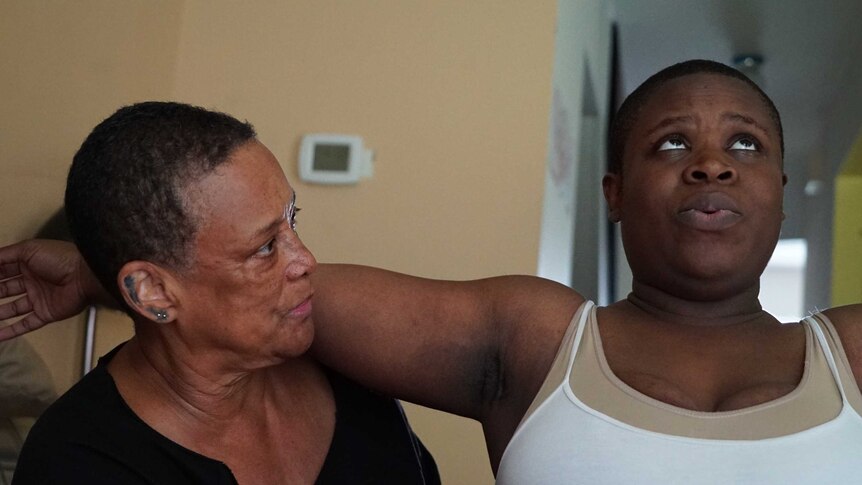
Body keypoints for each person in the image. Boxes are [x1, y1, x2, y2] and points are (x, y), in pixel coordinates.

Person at [3, 60, 862, 483]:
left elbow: (260, 285)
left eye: (744, 145)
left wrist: (97, 270)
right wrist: (98, 268)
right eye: (672, 142)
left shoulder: (851, 352)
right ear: (613, 191)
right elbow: (249, 298)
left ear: (783, 193)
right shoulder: (530, 339)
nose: (711, 164)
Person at [0, 102, 439, 484]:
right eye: (265, 247)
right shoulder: (77, 462)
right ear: (152, 291)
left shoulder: (346, 364)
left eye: (293, 220)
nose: (306, 260)